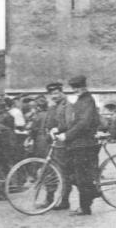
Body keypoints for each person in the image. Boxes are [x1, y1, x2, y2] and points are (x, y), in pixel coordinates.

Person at [56, 75, 101, 216]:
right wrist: (59, 130)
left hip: (85, 144)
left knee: (81, 176)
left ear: (84, 86)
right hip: (76, 143)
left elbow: (84, 123)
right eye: (74, 88)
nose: (76, 90)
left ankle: (85, 208)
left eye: (78, 87)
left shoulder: (88, 100)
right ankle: (93, 191)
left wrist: (67, 135)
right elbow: (72, 122)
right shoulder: (79, 101)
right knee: (72, 174)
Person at [44, 82, 74, 210]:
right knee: (49, 171)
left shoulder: (67, 105)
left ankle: (65, 201)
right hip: (52, 143)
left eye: (56, 93)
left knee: (64, 173)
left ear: (61, 92)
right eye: (51, 94)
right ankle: (49, 199)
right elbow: (48, 123)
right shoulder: (52, 107)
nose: (54, 96)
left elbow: (69, 123)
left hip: (63, 144)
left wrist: (57, 129)